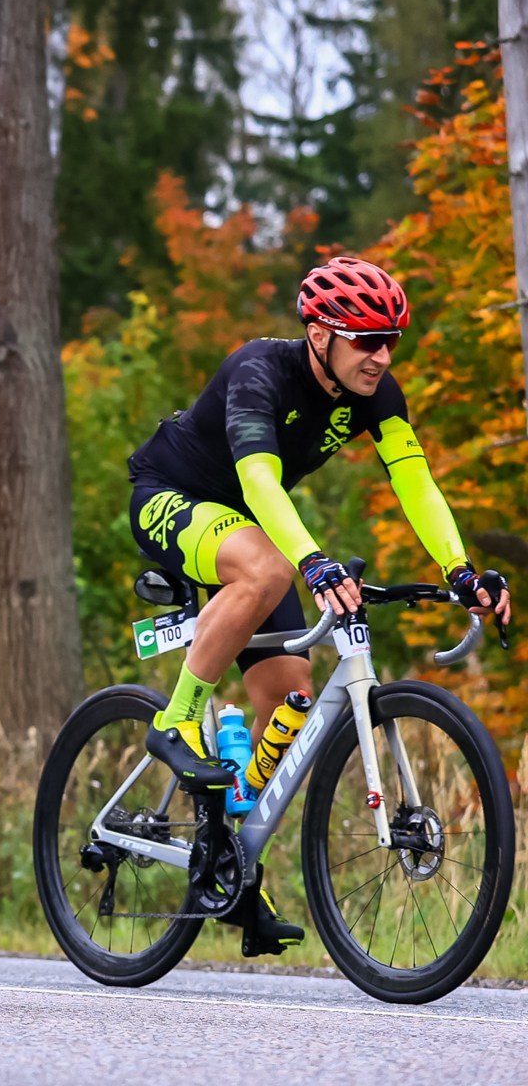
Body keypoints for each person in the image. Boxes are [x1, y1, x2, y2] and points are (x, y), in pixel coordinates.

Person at [126, 255, 508, 947]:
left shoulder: (377, 392)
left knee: (293, 702)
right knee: (269, 567)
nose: (382, 354)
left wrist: (461, 570)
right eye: (366, 339)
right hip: (172, 495)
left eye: (391, 339)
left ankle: (232, 859)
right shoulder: (259, 372)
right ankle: (176, 720)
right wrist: (314, 561)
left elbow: (415, 481)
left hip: (250, 533)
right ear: (320, 333)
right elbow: (260, 484)